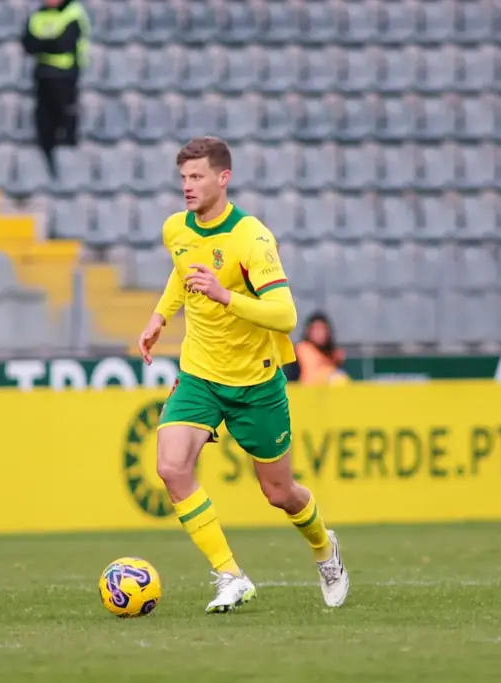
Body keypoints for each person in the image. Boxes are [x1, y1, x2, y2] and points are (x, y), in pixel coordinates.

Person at [137, 136, 350, 614]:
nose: (187, 186)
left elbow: (286, 315)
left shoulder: (252, 238)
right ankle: (231, 575)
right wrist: (160, 316)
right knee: (170, 467)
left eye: (197, 176)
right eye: (183, 177)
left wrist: (224, 295)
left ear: (223, 178)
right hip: (199, 374)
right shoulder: (176, 228)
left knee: (280, 492)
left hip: (255, 382)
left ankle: (324, 548)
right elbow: (183, 270)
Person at [21, 0, 89, 179]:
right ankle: (48, 166)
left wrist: (43, 43)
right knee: (43, 121)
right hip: (43, 76)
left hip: (65, 75)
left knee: (65, 118)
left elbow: (64, 44)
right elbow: (28, 44)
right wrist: (51, 42)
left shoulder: (73, 13)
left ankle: (67, 168)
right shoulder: (37, 15)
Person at [286, 312, 351, 386]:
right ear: (309, 331)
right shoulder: (301, 350)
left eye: (322, 329)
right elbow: (292, 379)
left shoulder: (334, 355)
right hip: (307, 390)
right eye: (316, 329)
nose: (319, 333)